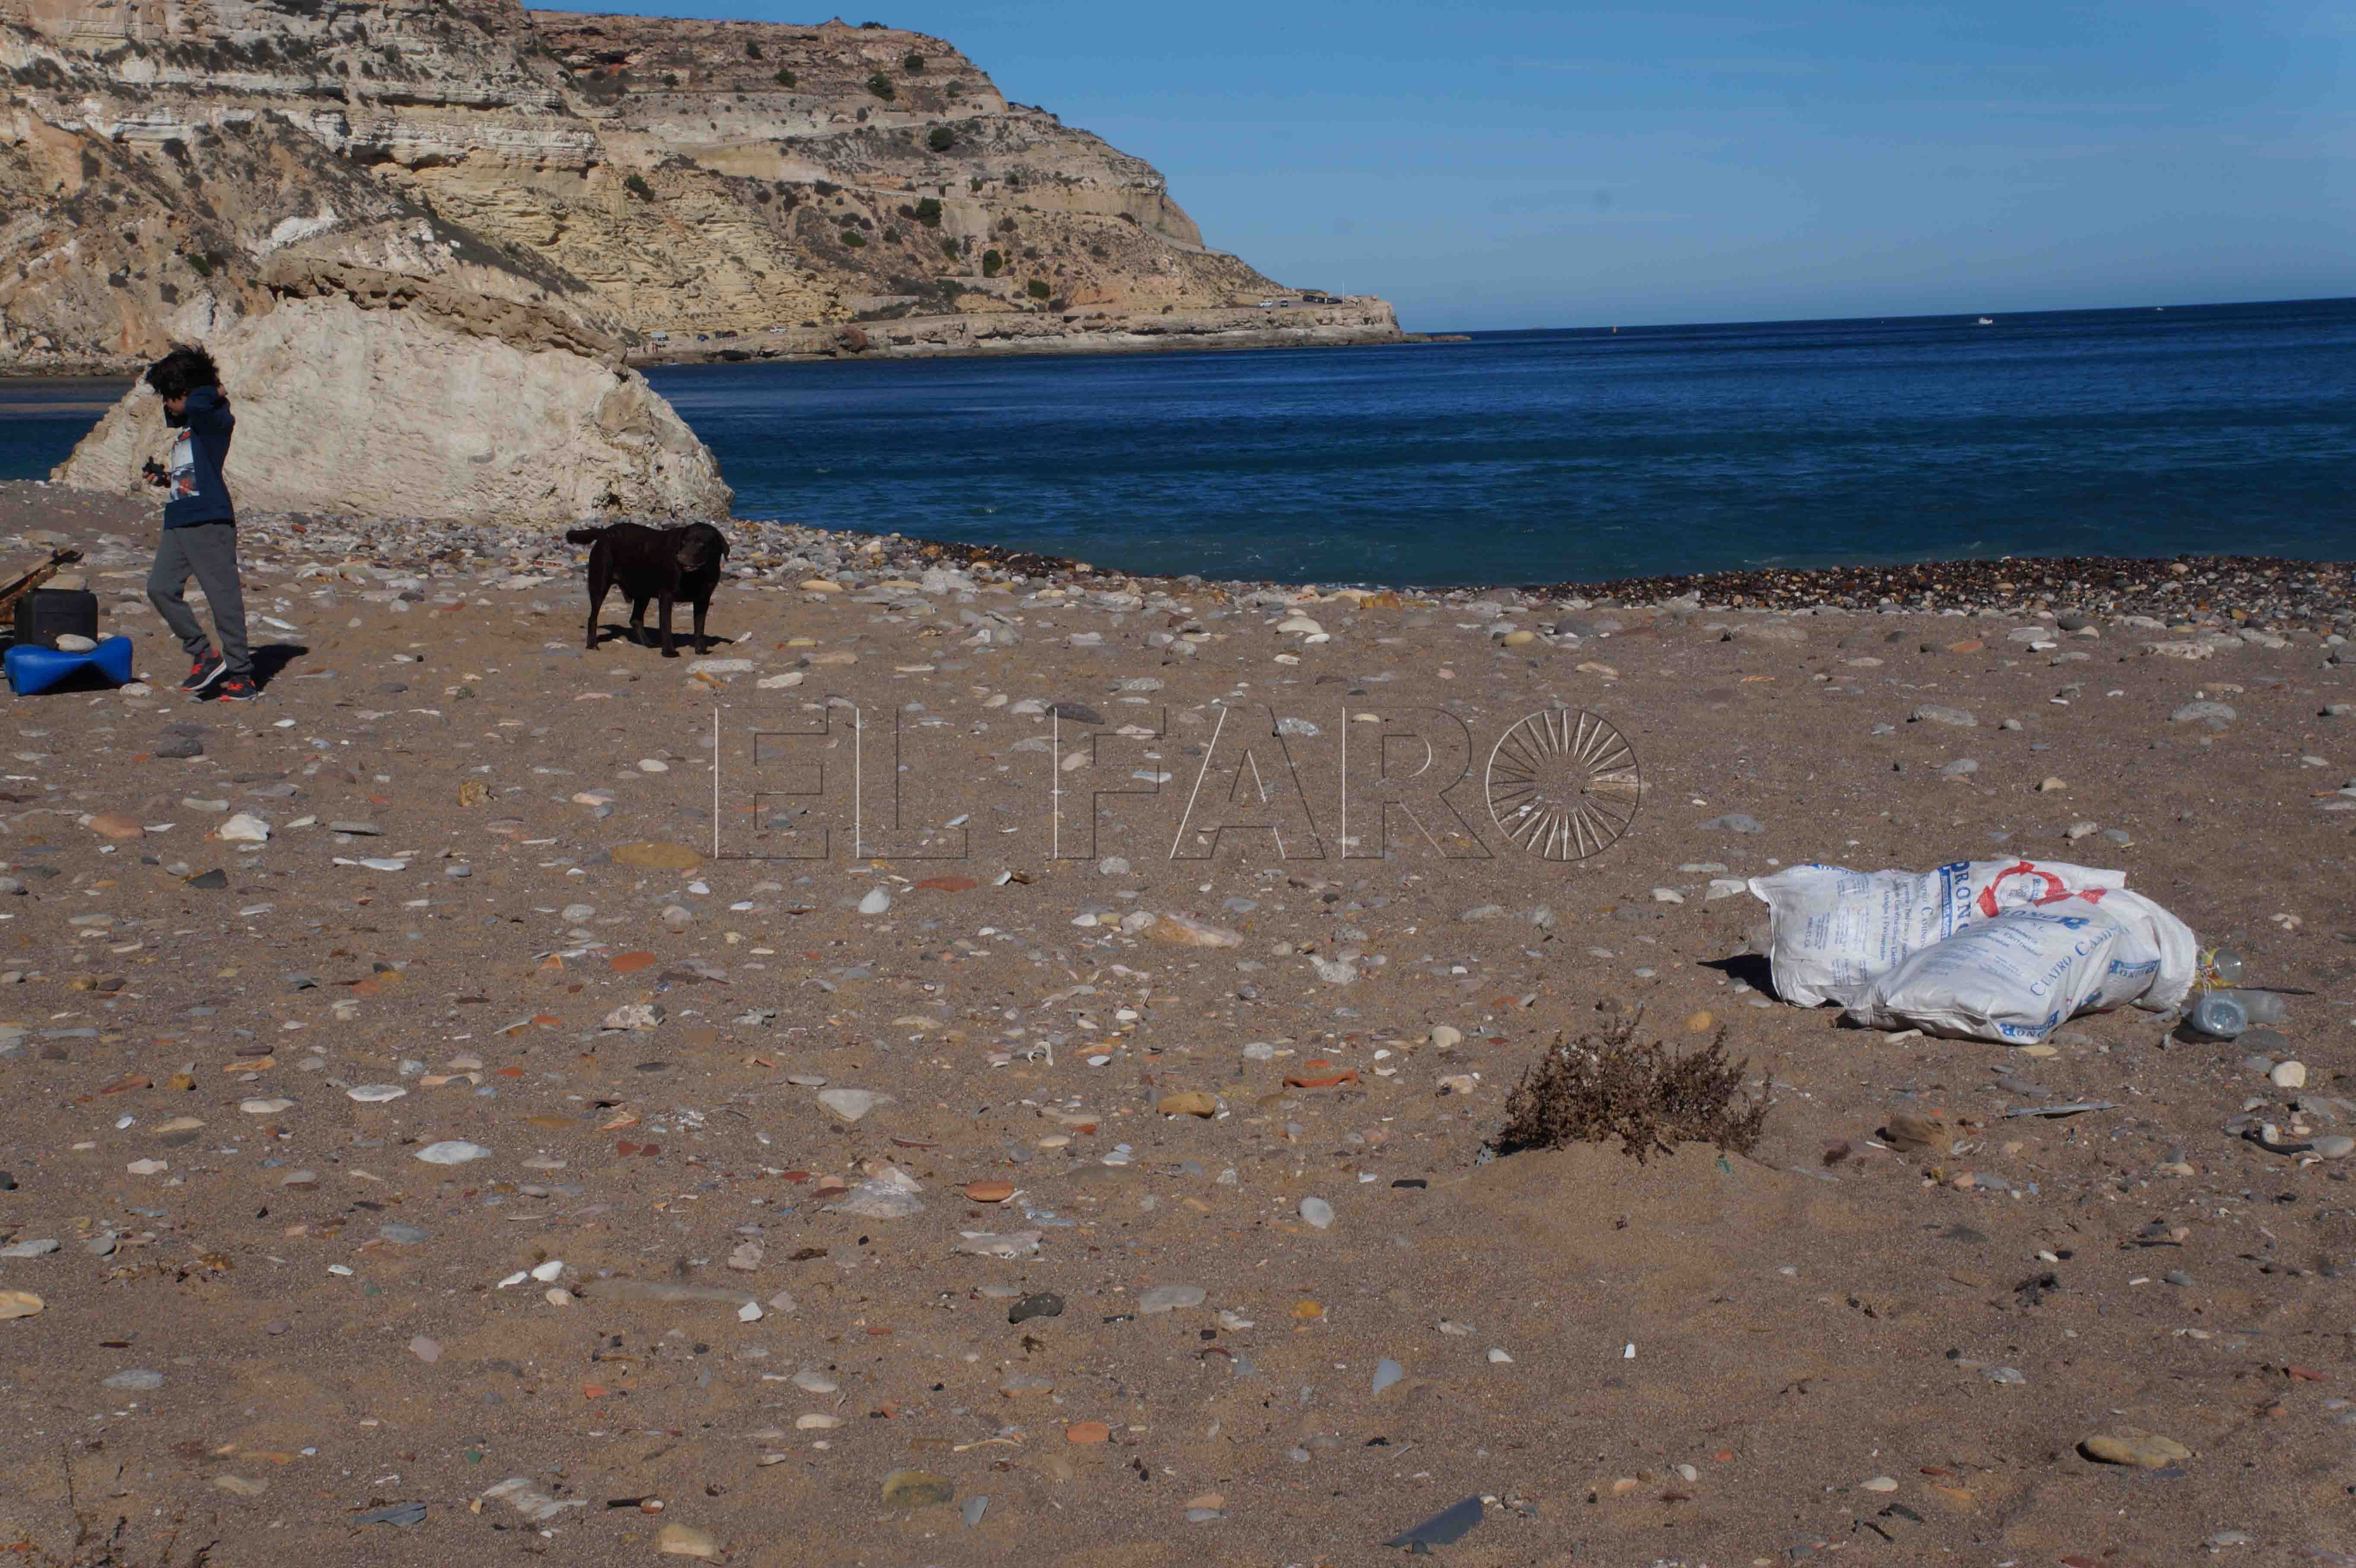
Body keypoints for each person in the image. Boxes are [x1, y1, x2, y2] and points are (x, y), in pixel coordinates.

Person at [141, 345, 257, 702]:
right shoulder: (192, 428)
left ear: (186, 391)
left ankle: (241, 676)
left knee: (223, 598)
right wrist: (165, 479)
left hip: (209, 518)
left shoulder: (214, 418)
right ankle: (204, 654)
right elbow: (193, 475)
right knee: (160, 588)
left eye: (169, 396)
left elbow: (201, 403)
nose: (166, 404)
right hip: (180, 518)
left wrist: (213, 388)